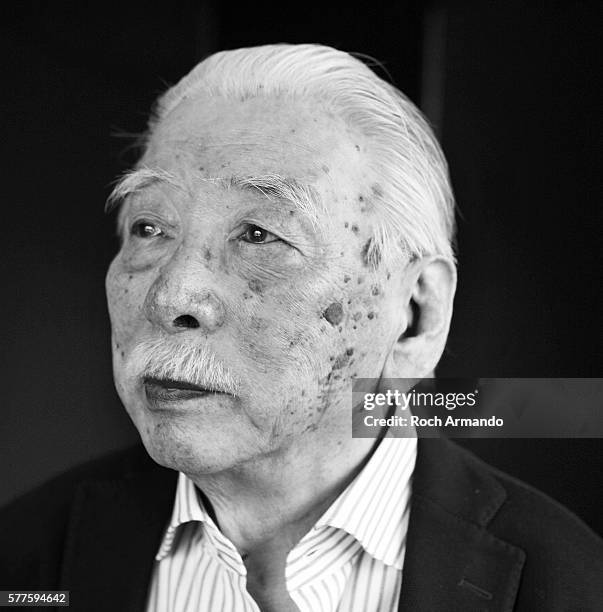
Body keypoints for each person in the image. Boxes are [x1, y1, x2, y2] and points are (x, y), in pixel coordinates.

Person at [1, 44, 601, 611]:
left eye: (260, 234)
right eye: (150, 228)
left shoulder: (573, 587)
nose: (172, 295)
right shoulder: (24, 566)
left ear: (416, 314)